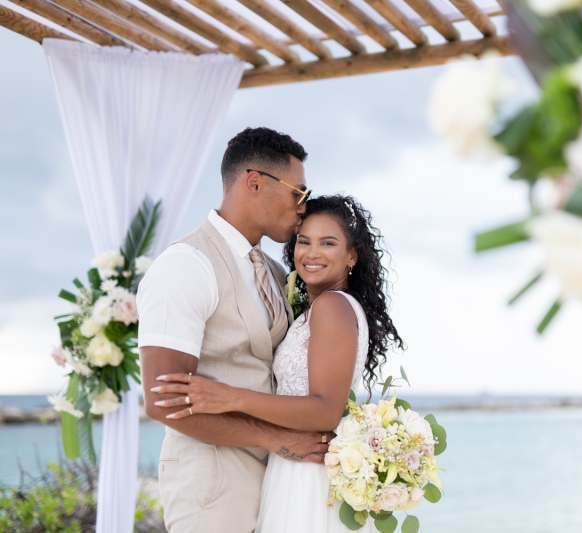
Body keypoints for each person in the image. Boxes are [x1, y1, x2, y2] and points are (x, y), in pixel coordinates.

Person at [152, 195, 405, 532]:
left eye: (327, 243)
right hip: (291, 465)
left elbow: (327, 410)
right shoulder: (317, 308)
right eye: (304, 241)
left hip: (305, 474)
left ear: (352, 256)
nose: (312, 253)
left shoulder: (332, 306)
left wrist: (229, 396)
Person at [137, 127, 329, 532]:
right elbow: (162, 403)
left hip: (276, 487)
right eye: (299, 193)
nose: (303, 208)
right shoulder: (186, 265)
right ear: (255, 182)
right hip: (209, 485)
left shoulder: (275, 271)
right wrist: (277, 439)